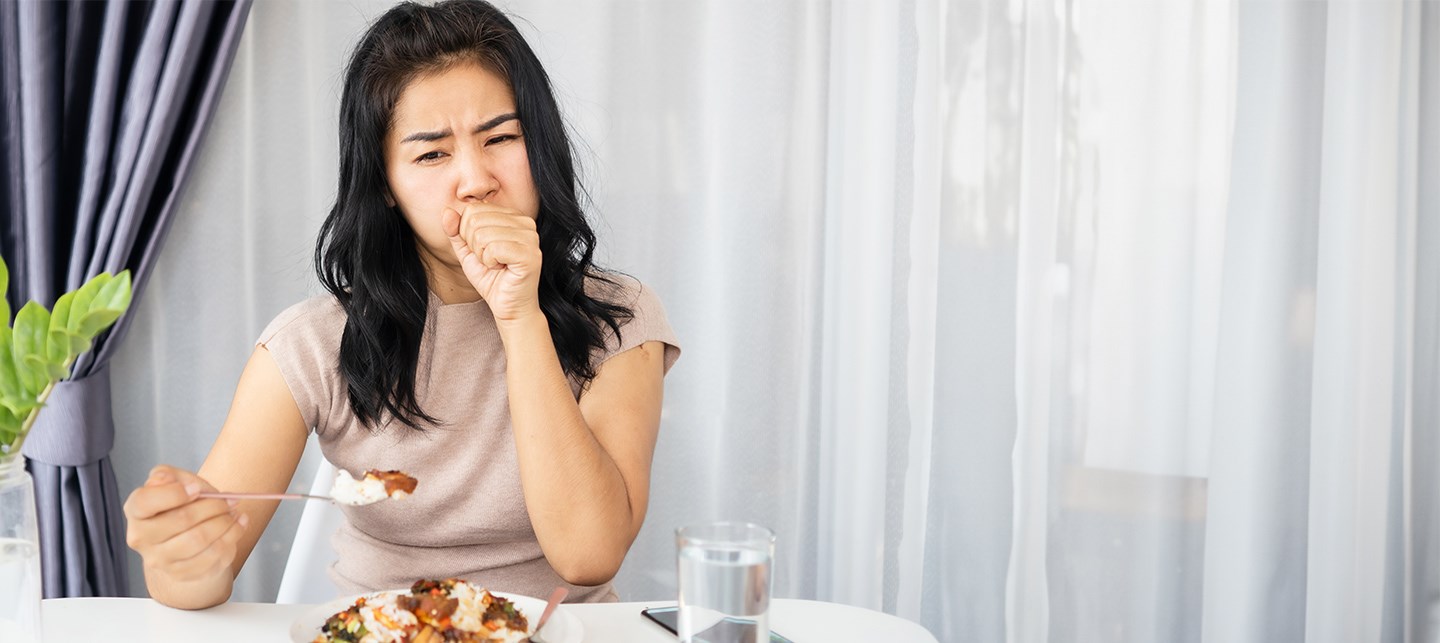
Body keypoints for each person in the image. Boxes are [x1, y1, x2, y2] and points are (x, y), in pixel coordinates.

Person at [123, 0, 680, 610]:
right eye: (432, 154)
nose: (475, 179)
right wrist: (179, 556)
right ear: (384, 185)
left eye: (501, 137)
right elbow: (208, 568)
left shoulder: (619, 318)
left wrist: (519, 316)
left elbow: (588, 556)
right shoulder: (311, 344)